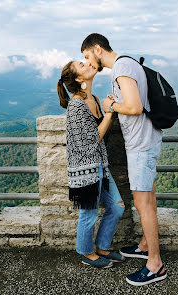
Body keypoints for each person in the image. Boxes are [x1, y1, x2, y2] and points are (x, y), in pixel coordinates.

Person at [81, 33, 167, 286]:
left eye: (87, 56)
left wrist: (111, 106)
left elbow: (134, 107)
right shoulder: (127, 64)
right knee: (147, 201)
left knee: (143, 205)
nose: (88, 62)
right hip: (144, 141)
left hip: (141, 145)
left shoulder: (121, 66)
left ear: (97, 49)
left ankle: (155, 264)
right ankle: (143, 245)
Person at [57, 60, 125, 268]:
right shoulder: (77, 105)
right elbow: (92, 139)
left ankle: (102, 247)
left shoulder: (93, 98)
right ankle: (87, 252)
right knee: (89, 212)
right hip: (85, 169)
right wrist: (110, 112)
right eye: (82, 65)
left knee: (117, 207)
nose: (88, 64)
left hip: (100, 166)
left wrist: (107, 106)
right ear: (79, 78)